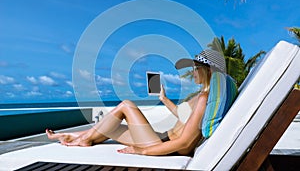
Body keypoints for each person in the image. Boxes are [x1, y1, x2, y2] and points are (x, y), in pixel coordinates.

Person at [46, 49, 227, 156]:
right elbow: (183, 116)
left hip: (162, 144)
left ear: (208, 70)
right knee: (111, 127)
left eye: (196, 68)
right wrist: (163, 98)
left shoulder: (204, 99)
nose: (193, 72)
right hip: (161, 137)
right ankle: (74, 136)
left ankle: (82, 140)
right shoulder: (201, 95)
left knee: (126, 105)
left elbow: (185, 144)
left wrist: (142, 151)